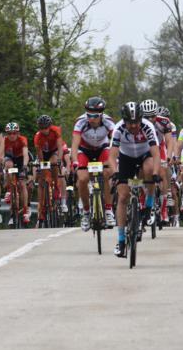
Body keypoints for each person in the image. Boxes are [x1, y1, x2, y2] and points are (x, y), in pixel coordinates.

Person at [110, 102, 161, 258]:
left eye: (136, 122)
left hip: (144, 155)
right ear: (124, 120)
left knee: (149, 168)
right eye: (130, 122)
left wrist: (156, 174)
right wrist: (115, 173)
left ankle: (150, 205)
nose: (133, 126)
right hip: (126, 159)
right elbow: (112, 156)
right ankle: (120, 240)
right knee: (123, 196)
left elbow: (156, 154)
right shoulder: (118, 129)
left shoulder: (147, 127)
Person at [72, 96, 117, 231]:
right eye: (89, 115)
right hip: (84, 151)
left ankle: (108, 211)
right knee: (82, 179)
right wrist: (75, 162)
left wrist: (115, 159)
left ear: (101, 114)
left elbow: (116, 142)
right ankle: (86, 213)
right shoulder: (80, 122)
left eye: (95, 115)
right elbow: (74, 145)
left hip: (102, 149)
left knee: (108, 173)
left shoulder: (108, 122)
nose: (91, 118)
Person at [33, 114, 65, 227]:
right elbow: (40, 155)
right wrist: (43, 166)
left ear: (50, 126)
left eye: (46, 127)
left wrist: (60, 159)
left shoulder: (55, 130)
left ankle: (56, 185)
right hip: (43, 154)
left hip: (53, 152)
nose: (44, 130)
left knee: (54, 162)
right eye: (42, 128)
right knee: (42, 179)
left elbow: (60, 146)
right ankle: (41, 209)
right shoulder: (37, 137)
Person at [3, 122, 31, 225]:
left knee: (22, 184)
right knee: (8, 165)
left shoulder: (22, 139)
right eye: (9, 133)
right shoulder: (4, 140)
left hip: (20, 159)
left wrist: (24, 166)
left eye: (14, 133)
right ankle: (9, 191)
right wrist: (2, 164)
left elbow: (25, 154)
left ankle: (26, 210)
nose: (12, 135)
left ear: (18, 133)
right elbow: (1, 154)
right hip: (9, 158)